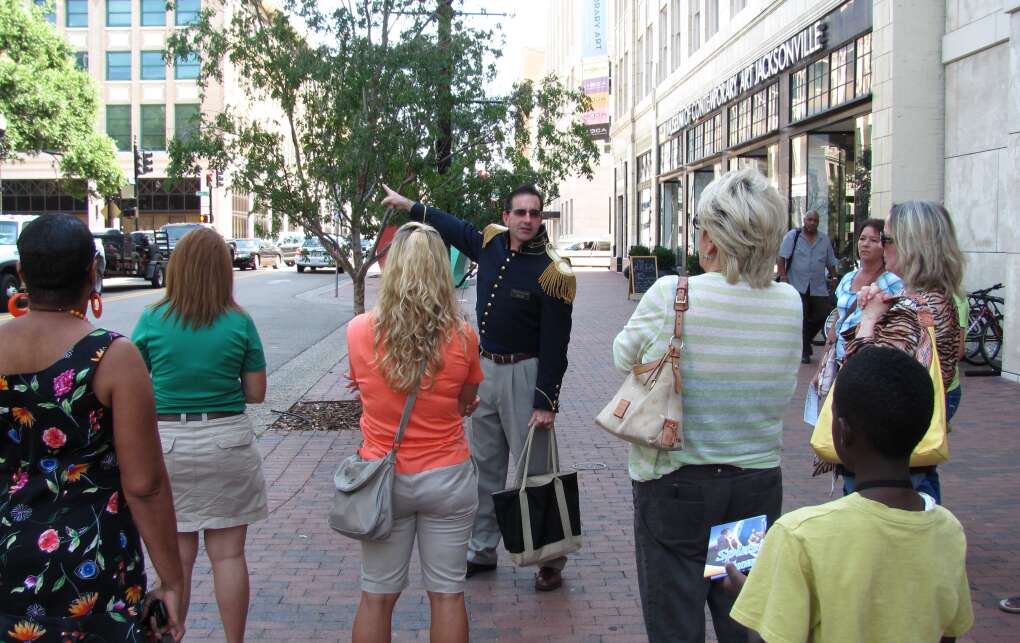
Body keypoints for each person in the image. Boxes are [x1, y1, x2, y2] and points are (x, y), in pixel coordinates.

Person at [613, 169, 802, 642]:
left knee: (675, 619)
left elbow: (623, 355)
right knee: (741, 616)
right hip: (753, 483)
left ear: (715, 238)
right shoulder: (788, 302)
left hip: (676, 481)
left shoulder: (675, 294)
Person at [381, 183, 575, 592]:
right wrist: (410, 205)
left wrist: (547, 400)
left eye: (534, 213)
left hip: (526, 375)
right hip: (486, 371)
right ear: (506, 217)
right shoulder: (490, 245)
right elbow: (452, 228)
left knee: (536, 472)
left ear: (541, 218)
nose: (526, 220)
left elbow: (556, 345)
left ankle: (550, 559)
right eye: (519, 213)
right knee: (485, 469)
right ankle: (482, 550)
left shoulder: (554, 271)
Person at [1, 214, 184, 641]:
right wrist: (172, 579)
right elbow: (145, 485)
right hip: (92, 560)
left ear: (23, 273)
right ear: (93, 272)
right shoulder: (112, 357)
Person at [727, 346, 974, 643]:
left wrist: (752, 597)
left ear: (842, 432)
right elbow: (949, 633)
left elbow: (767, 639)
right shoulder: (948, 531)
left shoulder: (799, 535)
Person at [345, 222, 482, 643]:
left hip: (382, 479)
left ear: (391, 268)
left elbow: (362, 389)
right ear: (441, 270)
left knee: (376, 595)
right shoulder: (463, 337)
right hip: (447, 476)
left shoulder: (359, 331)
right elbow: (465, 401)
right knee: (447, 595)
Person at [131, 227, 268, 643]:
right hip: (227, 439)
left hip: (169, 443)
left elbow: (134, 385)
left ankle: (174, 636)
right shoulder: (239, 321)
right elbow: (256, 393)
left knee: (177, 561)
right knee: (228, 555)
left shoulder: (153, 319)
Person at [842, 201, 966, 504]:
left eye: (886, 239)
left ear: (911, 245)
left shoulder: (911, 310)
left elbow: (863, 377)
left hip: (885, 442)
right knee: (923, 492)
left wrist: (869, 319)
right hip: (913, 432)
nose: (882, 247)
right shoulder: (941, 298)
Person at [826, 219, 903, 363]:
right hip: (839, 357)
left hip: (869, 359)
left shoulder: (893, 281)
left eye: (873, 240)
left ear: (884, 245)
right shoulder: (848, 277)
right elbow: (838, 314)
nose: (865, 244)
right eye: (862, 238)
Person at [777, 209, 838, 363]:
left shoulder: (824, 240)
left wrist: (834, 276)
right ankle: (804, 351)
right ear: (804, 220)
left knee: (822, 315)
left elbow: (830, 261)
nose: (812, 223)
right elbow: (781, 257)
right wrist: (783, 276)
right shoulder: (793, 236)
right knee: (802, 317)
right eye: (810, 219)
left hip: (817, 285)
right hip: (797, 283)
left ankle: (805, 341)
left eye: (815, 220)